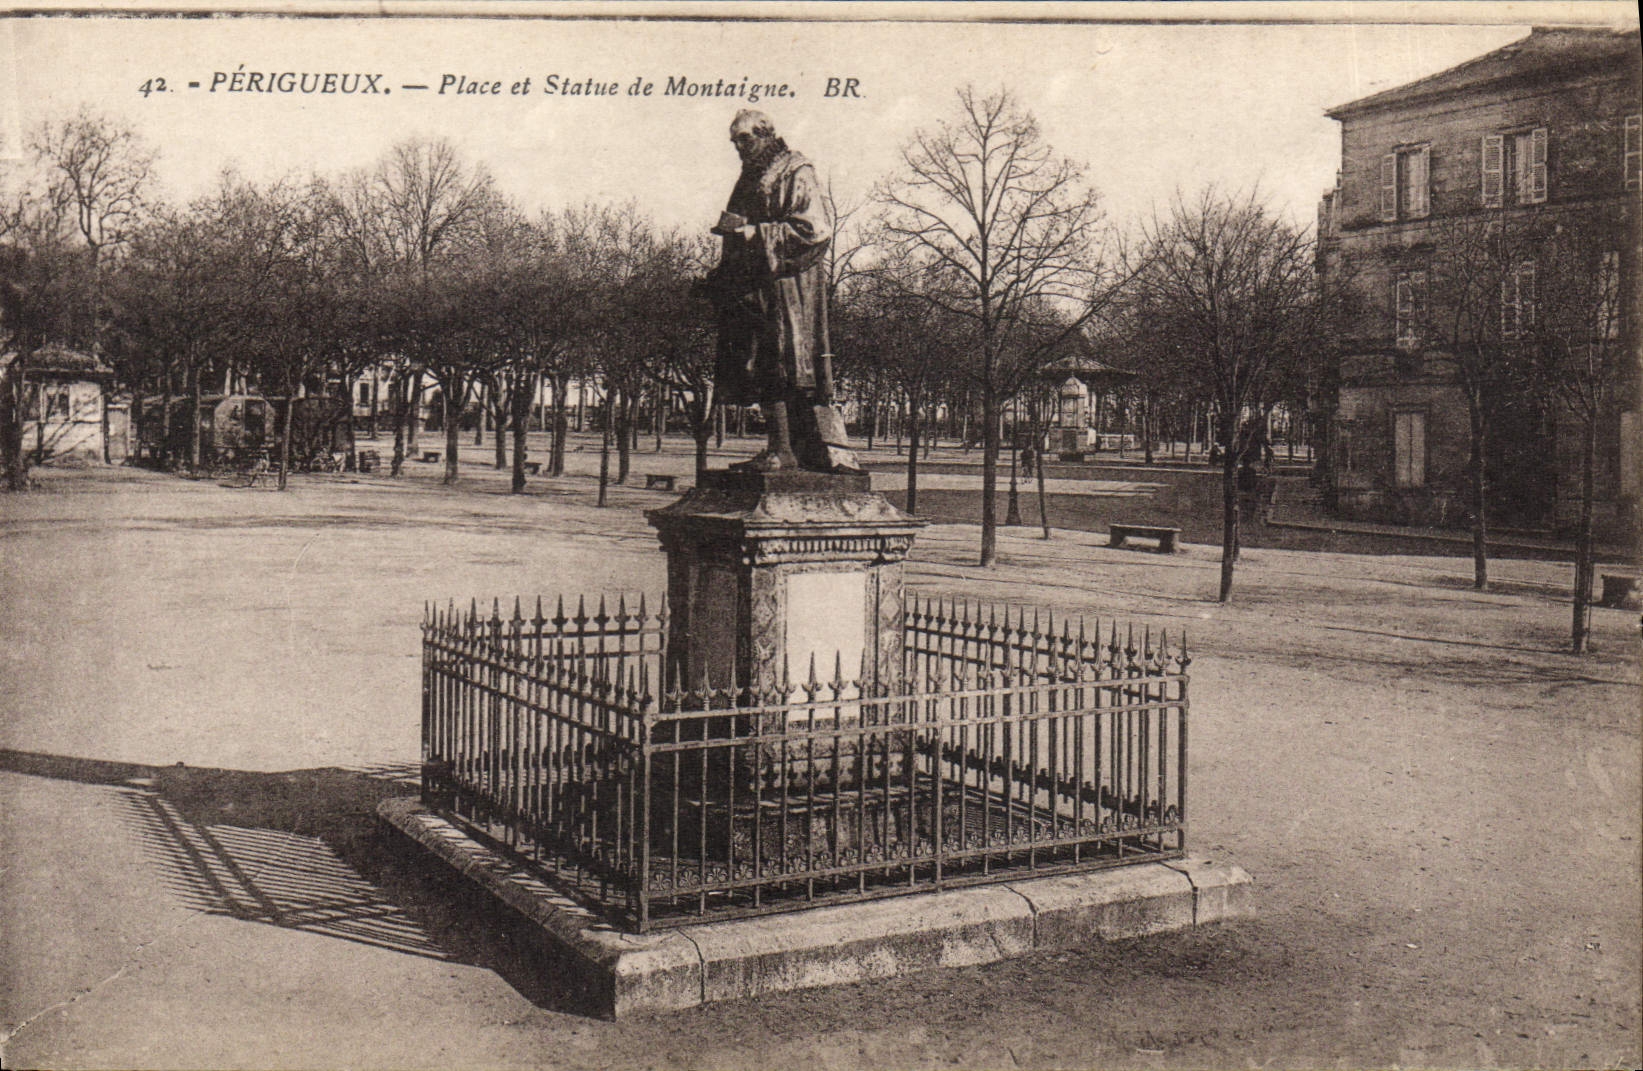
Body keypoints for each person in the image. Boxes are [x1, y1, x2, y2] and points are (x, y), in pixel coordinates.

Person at [704, 109, 862, 474]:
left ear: (766, 134)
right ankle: (779, 448)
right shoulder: (750, 176)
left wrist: (754, 233)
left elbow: (815, 230)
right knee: (761, 363)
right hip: (754, 289)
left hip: (788, 290)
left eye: (744, 139)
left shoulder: (795, 171)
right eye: (734, 142)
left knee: (784, 364)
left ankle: (791, 451)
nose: (738, 148)